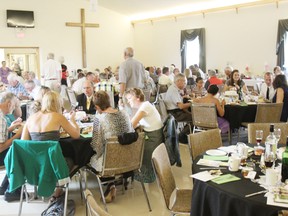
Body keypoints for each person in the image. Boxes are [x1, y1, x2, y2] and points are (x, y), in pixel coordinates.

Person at [21, 91, 80, 200]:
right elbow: (76, 135)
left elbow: (24, 144)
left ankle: (57, 189)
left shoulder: (30, 119)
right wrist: (73, 121)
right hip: (54, 166)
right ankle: (60, 188)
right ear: (58, 103)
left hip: (35, 166)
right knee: (75, 160)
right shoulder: (58, 117)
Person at [90, 91, 134, 202]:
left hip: (111, 163)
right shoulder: (124, 114)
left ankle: (110, 184)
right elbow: (132, 133)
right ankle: (112, 184)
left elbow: (97, 146)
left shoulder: (99, 119)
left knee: (93, 157)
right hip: (129, 159)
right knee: (110, 152)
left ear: (97, 106)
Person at [125, 88, 163, 183]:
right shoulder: (145, 105)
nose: (128, 101)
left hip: (153, 139)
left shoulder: (144, 107)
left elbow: (132, 125)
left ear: (137, 98)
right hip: (155, 136)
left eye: (129, 98)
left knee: (130, 146)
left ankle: (129, 171)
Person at [0, 92, 23, 201]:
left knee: (15, 151)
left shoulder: (2, 117)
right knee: (19, 153)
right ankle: (12, 191)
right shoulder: (1, 119)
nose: (14, 109)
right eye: (14, 105)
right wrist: (17, 135)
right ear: (9, 104)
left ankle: (4, 186)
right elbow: (0, 147)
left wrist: (10, 128)